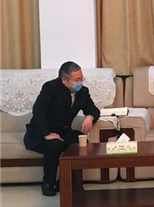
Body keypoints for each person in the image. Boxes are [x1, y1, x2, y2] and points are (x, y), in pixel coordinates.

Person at [24, 61, 100, 196]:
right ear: (64, 80)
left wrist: (90, 117)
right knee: (55, 144)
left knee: (78, 141)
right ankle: (48, 183)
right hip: (40, 133)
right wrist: (46, 134)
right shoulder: (50, 88)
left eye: (81, 79)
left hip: (63, 131)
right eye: (77, 80)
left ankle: (68, 181)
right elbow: (39, 111)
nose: (80, 82)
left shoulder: (82, 92)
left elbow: (93, 110)